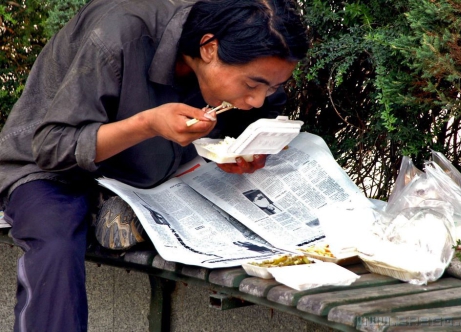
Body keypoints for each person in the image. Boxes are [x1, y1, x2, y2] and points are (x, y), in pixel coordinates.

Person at [0, 0, 308, 330]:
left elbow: (260, 114)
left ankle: (115, 206)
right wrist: (146, 125)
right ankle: (102, 207)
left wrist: (249, 148)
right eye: (251, 85)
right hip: (53, 170)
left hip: (154, 172)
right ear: (209, 48)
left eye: (272, 86)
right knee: (55, 240)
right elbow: (52, 146)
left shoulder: (241, 59)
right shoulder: (119, 32)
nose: (257, 99)